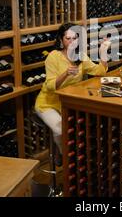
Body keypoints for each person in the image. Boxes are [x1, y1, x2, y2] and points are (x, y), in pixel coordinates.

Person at [35, 23, 110, 165]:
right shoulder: (53, 57)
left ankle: (65, 151)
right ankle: (68, 159)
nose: (71, 42)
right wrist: (65, 73)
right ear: (61, 40)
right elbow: (50, 86)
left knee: (87, 124)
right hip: (48, 103)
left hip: (69, 103)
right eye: (68, 38)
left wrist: (103, 53)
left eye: (74, 38)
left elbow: (99, 71)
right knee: (60, 129)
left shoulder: (80, 56)